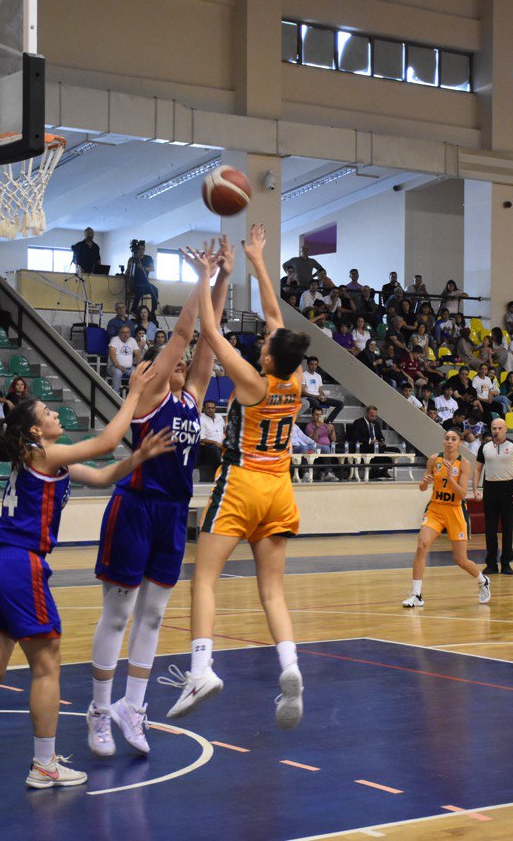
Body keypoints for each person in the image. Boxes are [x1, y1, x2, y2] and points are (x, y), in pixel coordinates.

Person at [0, 362, 171, 790]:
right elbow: (105, 442)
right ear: (35, 431)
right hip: (20, 565)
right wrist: (133, 393)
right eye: (47, 411)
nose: (55, 414)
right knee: (47, 665)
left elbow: (101, 475)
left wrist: (139, 458)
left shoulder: (44, 461)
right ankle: (44, 765)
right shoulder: (40, 454)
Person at [164, 225, 310, 729]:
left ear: (268, 356)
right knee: (273, 592)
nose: (265, 339)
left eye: (268, 344)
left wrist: (206, 278)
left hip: (243, 482)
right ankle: (290, 666)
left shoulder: (253, 380)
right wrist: (257, 260)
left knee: (203, 578)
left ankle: (202, 668)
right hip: (281, 491)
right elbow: (276, 317)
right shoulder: (297, 379)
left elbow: (210, 332)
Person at [86, 247, 227, 759]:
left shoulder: (191, 395)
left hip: (172, 514)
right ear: (145, 372)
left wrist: (224, 276)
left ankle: (133, 707)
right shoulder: (148, 397)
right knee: (120, 615)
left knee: (153, 617)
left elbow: (206, 338)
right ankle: (99, 710)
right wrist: (201, 277)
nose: (179, 360)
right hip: (137, 507)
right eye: (164, 358)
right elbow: (187, 333)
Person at [402, 429, 491, 608]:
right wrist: (424, 482)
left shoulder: (464, 464)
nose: (449, 441)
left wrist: (451, 479)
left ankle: (483, 580)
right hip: (435, 509)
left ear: (459, 443)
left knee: (460, 560)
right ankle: (417, 595)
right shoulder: (434, 459)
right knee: (422, 546)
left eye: (453, 439)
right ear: (443, 442)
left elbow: (461, 494)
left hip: (455, 512)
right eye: (447, 439)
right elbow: (422, 488)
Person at [473, 417, 513, 574]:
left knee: (508, 528)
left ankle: (506, 563)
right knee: (490, 528)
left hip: (507, 488)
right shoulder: (484, 447)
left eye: (499, 428)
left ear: (505, 429)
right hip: (490, 488)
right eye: (494, 428)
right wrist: (475, 488)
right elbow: (477, 470)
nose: (496, 431)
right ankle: (491, 563)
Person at [301, 356, 343, 423]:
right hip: (309, 398)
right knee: (316, 402)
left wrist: (323, 396)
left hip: (318, 397)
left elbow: (320, 390)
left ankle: (328, 422)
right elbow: (302, 392)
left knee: (340, 404)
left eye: (315, 364)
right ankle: (320, 422)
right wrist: (315, 396)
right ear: (308, 364)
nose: (314, 366)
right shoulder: (303, 375)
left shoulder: (318, 376)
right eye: (312, 364)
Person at [108, 323, 141, 394]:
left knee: (137, 373)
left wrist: (138, 367)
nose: (125, 334)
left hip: (129, 368)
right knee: (118, 372)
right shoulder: (115, 339)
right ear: (119, 333)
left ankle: (133, 394)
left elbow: (138, 354)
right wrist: (118, 366)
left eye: (127, 332)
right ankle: (116, 393)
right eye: (123, 332)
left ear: (130, 334)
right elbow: (112, 355)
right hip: (114, 367)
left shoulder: (132, 340)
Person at [198, 399, 225, 482]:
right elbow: (201, 439)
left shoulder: (219, 417)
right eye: (208, 408)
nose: (210, 410)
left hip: (221, 444)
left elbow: (224, 431)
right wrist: (216, 443)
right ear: (203, 409)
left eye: (212, 408)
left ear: (215, 409)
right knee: (215, 449)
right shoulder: (200, 419)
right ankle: (221, 475)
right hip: (207, 446)